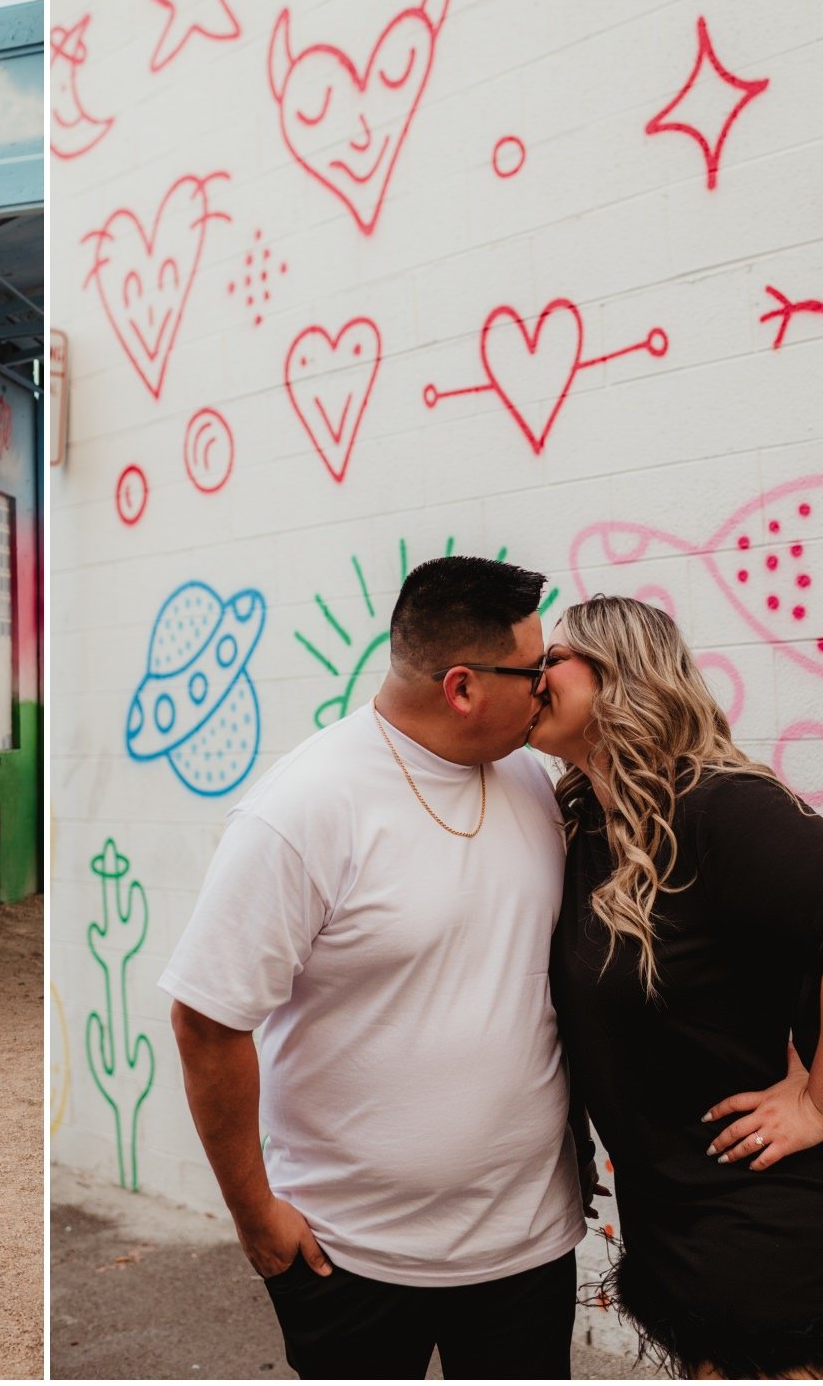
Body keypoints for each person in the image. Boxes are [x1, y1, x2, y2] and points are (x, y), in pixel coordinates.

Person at [162, 556, 587, 1381]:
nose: (547, 687)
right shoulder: (304, 809)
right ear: (462, 687)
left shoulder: (535, 779)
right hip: (349, 1258)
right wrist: (254, 1216)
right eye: (534, 672)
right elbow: (206, 1020)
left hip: (527, 1251)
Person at [533, 595, 823, 1380]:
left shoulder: (715, 804)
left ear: (618, 675)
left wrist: (822, 1101)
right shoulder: (586, 823)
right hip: (683, 1193)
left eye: (552, 658)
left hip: (786, 1192)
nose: (532, 674)